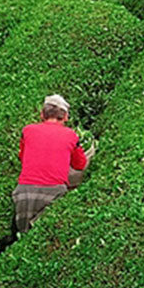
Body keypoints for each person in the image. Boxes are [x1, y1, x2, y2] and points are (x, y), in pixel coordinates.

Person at [11, 94, 95, 235]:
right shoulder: (71, 135)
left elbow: (22, 157)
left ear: (42, 114)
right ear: (66, 117)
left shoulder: (27, 130)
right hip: (55, 192)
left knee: (24, 236)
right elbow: (80, 165)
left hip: (24, 192)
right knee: (45, 235)